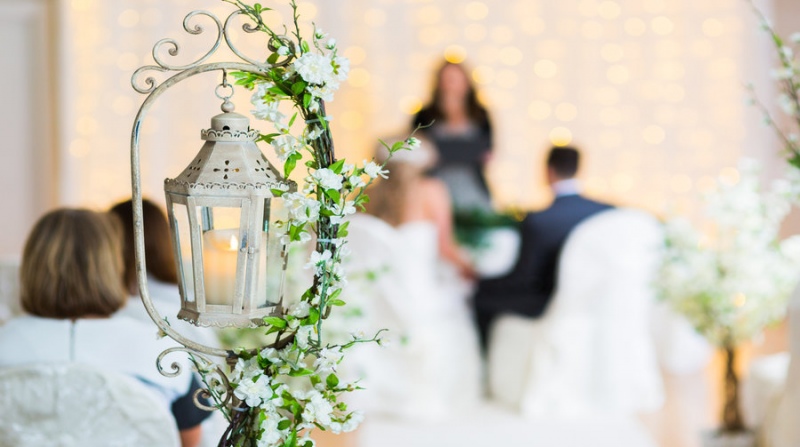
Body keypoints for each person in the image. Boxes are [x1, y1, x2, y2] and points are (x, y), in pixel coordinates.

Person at [0, 208, 209, 447]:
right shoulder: (162, 354)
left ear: (30, 268)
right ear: (112, 267)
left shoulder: (5, 343)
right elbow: (190, 443)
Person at [344, 136, 482, 419]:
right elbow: (446, 247)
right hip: (419, 297)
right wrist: (473, 266)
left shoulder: (363, 193)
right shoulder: (432, 191)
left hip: (375, 297)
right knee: (456, 300)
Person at [473, 146, 613, 349]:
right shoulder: (608, 213)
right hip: (597, 299)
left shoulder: (539, 220)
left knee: (481, 297)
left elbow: (525, 278)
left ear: (548, 171)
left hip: (548, 300)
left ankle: (487, 365)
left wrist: (482, 282)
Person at [413, 60, 493, 213]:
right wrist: (465, 150)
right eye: (447, 80)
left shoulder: (480, 115)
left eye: (455, 80)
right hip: (434, 186)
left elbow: (486, 153)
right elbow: (417, 151)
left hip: (472, 188)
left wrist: (441, 151)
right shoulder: (424, 115)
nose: (451, 85)